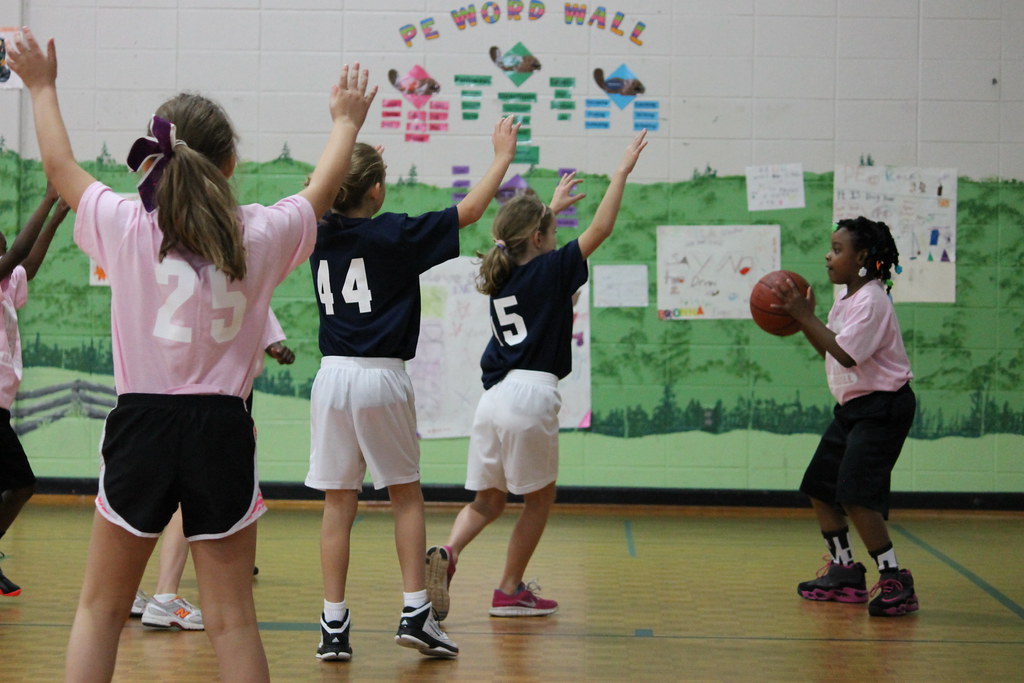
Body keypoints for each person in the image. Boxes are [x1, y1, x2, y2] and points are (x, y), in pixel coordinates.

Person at [8, 27, 375, 682]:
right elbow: (323, 185)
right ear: (230, 164)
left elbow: (61, 170)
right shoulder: (261, 232)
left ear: (155, 159)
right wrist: (346, 122)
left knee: (98, 610)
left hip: (142, 424)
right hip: (223, 429)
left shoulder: (125, 223)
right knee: (233, 618)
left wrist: (40, 86)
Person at [306, 116, 520, 660]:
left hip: (331, 376)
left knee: (338, 502)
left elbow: (318, 191)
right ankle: (415, 613)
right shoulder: (394, 233)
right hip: (380, 375)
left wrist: (351, 165)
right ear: (376, 190)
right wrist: (500, 157)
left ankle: (333, 625)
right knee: (405, 495)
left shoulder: (315, 230)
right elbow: (469, 212)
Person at [426, 130, 648, 621]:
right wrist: (620, 174)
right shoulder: (551, 270)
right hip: (531, 396)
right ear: (540, 240)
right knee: (538, 502)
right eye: (551, 232)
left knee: (487, 500)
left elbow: (530, 243)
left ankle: (449, 552)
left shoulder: (506, 276)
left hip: (494, 400)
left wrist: (549, 208)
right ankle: (509, 589)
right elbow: (603, 228)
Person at [773, 216, 918, 618]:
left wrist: (804, 316)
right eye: (830, 247)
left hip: (883, 409)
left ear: (863, 258)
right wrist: (805, 320)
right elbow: (831, 348)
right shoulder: (847, 297)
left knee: (856, 496)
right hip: (854, 409)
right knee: (820, 487)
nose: (828, 255)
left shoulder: (872, 300)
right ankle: (844, 571)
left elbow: (846, 354)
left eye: (838, 249)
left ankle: (895, 581)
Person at [130, 321, 295, 629]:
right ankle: (165, 596)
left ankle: (128, 590)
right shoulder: (230, 281)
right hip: (212, 403)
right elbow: (260, 321)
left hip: (149, 399)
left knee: (143, 500)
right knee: (188, 498)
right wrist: (273, 344)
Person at [0, 182, 69, 597]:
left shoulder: (8, 285)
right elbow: (20, 253)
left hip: (2, 407)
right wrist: (45, 198)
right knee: (22, 483)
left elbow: (32, 262)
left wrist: (58, 217)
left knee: (16, 485)